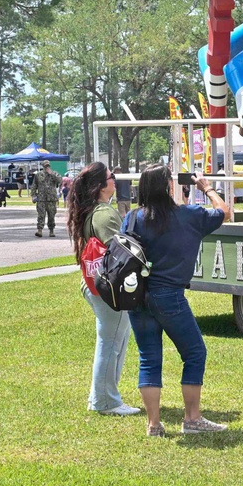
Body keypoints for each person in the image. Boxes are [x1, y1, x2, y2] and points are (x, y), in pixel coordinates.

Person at [122, 164, 230, 437]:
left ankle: (154, 425)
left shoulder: (133, 218)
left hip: (138, 295)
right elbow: (224, 212)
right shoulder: (189, 215)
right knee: (194, 353)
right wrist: (207, 188)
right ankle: (192, 418)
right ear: (169, 186)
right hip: (170, 295)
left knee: (149, 359)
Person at [67, 162, 140, 417]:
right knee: (111, 344)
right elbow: (119, 253)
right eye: (112, 176)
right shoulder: (105, 214)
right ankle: (105, 401)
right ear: (100, 186)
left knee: (112, 341)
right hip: (110, 288)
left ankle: (104, 397)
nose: (115, 180)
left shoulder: (92, 211)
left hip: (96, 284)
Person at [31, 160, 62, 237]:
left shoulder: (54, 174)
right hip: (41, 199)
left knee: (51, 215)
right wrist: (33, 196)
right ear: (43, 166)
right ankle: (40, 230)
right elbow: (34, 186)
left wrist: (52, 174)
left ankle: (51, 230)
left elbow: (60, 180)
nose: (47, 167)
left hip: (51, 199)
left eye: (48, 166)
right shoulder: (38, 175)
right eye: (45, 166)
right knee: (41, 215)